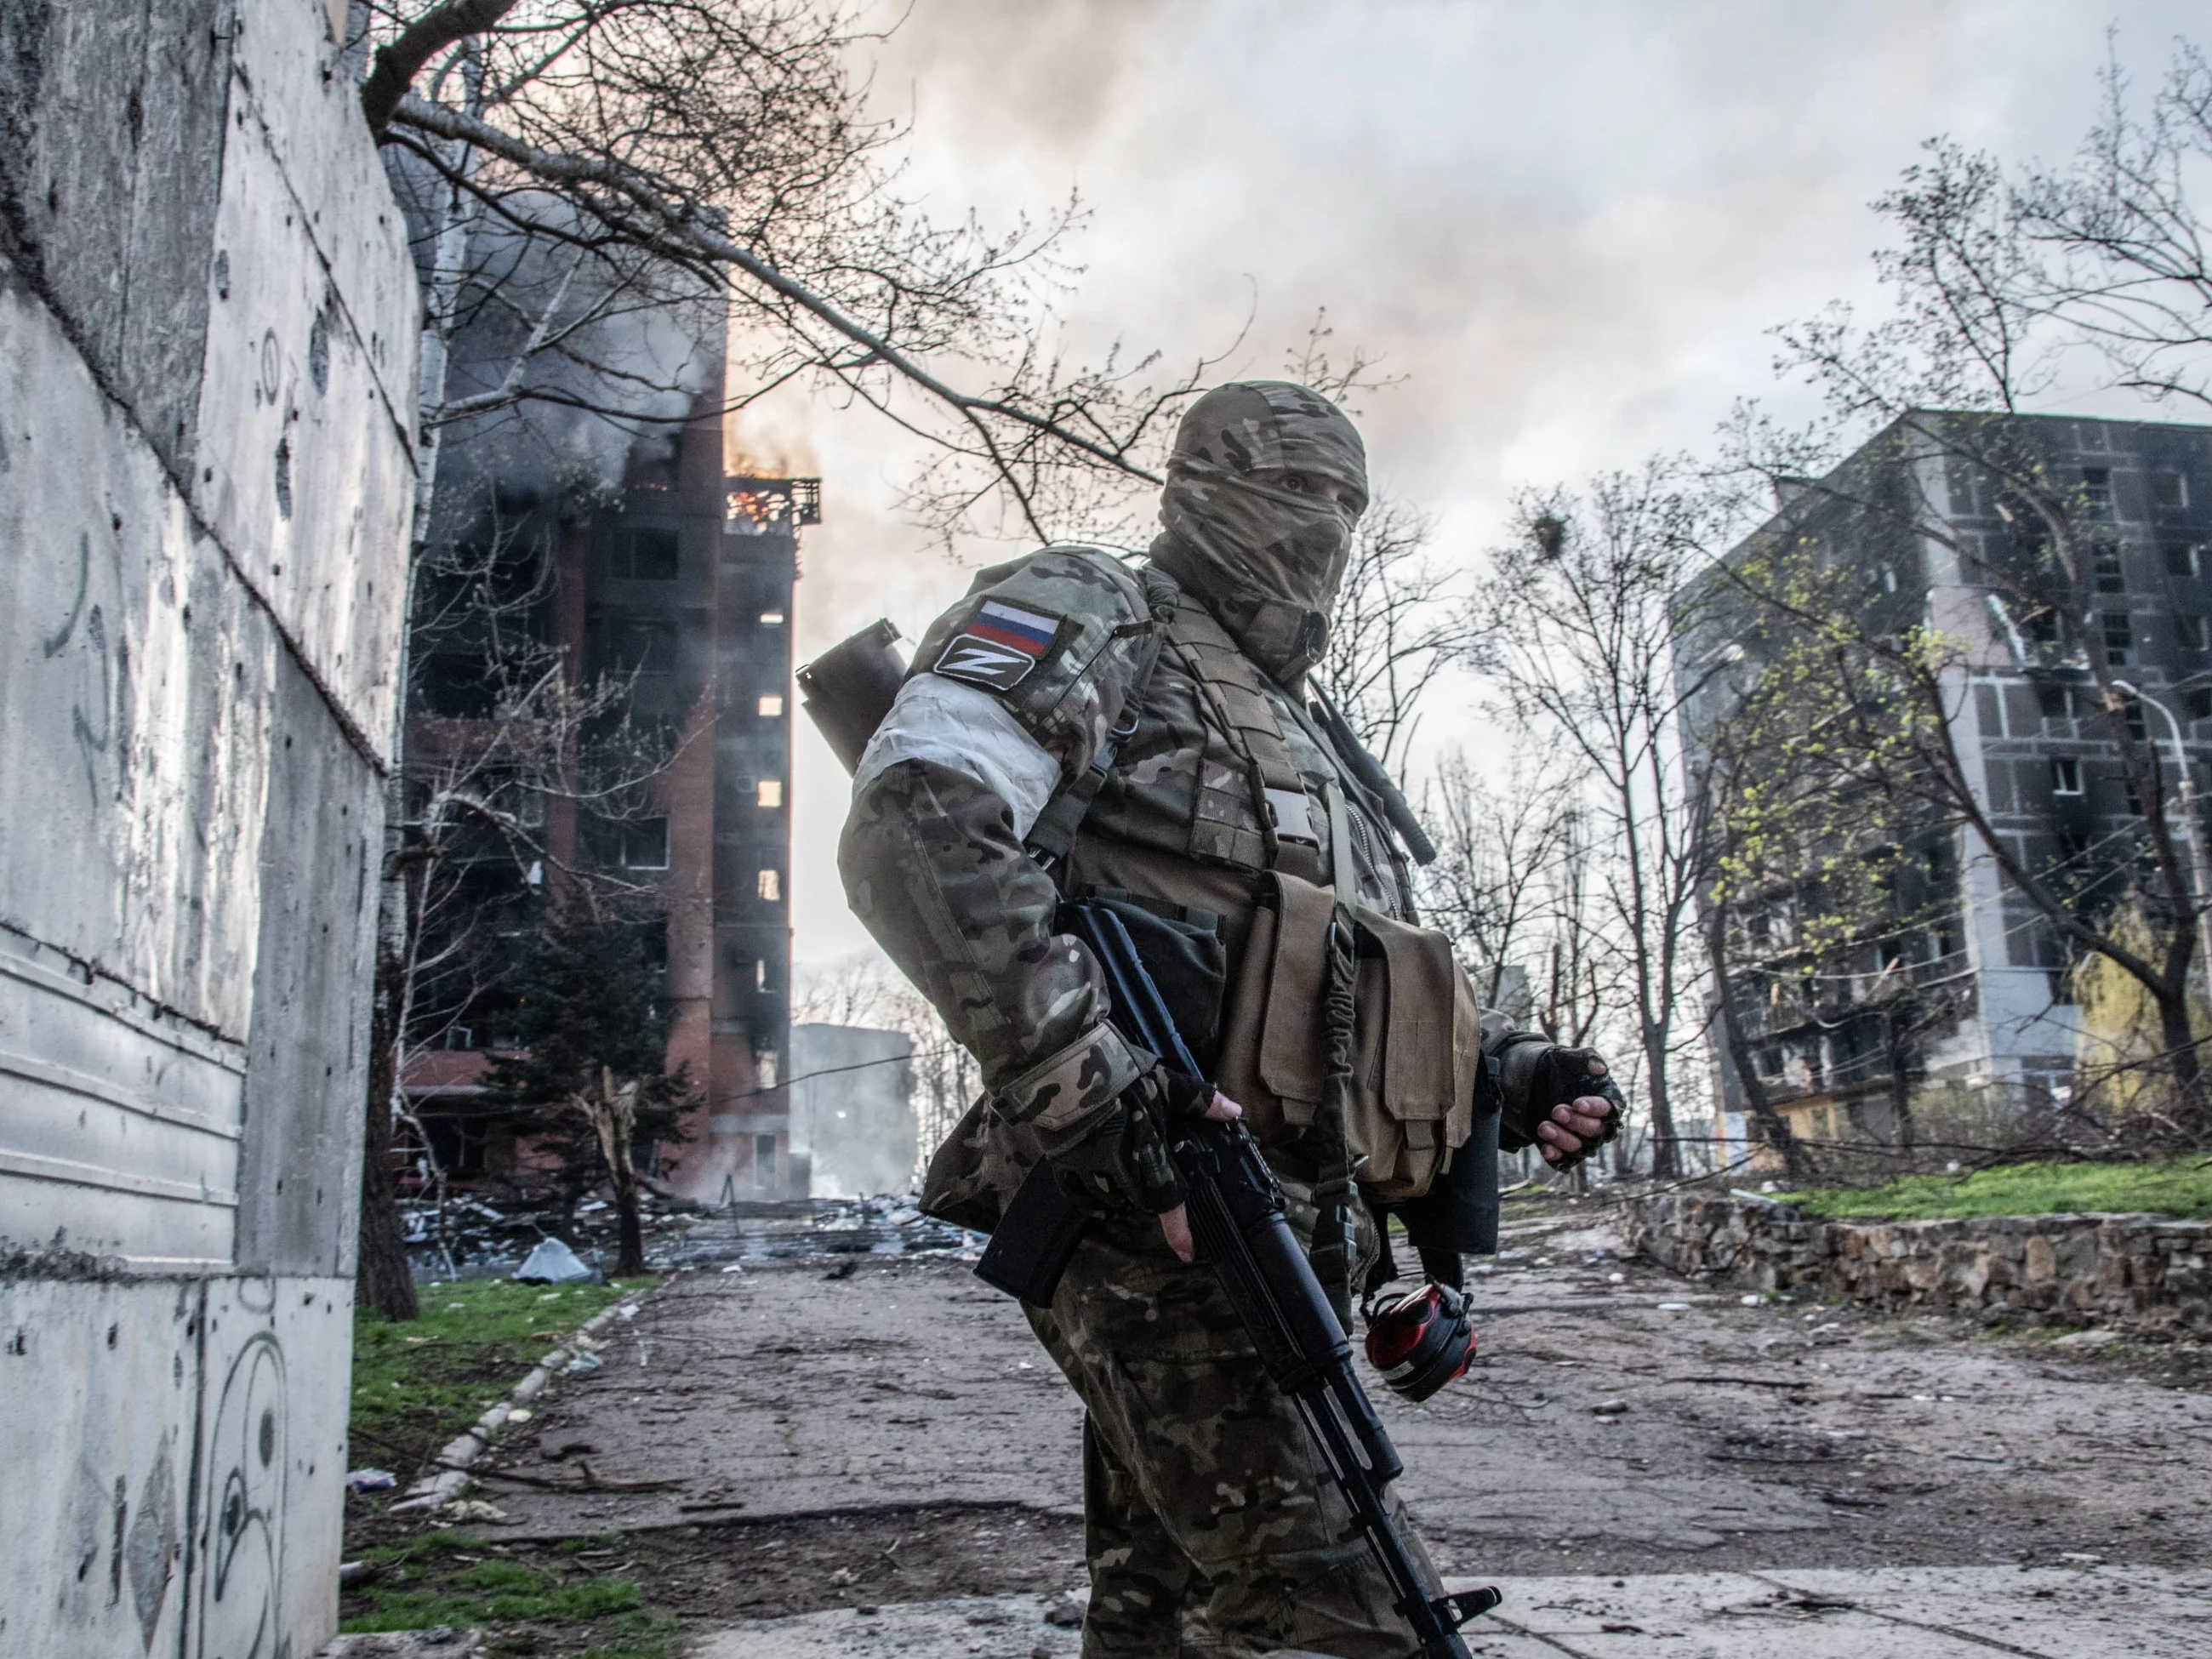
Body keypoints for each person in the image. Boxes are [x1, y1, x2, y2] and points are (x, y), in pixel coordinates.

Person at [840, 381, 1622, 1657]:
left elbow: (1341, 984)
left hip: (1285, 1227)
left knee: (1175, 1616)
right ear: (1200, 487)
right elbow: (916, 823)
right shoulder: (1101, 612)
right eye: (1291, 489)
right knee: (1348, 1617)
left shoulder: (1308, 736)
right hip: (1151, 1207)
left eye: (1344, 500)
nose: (1321, 524)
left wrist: (1514, 1073)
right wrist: (1094, 1093)